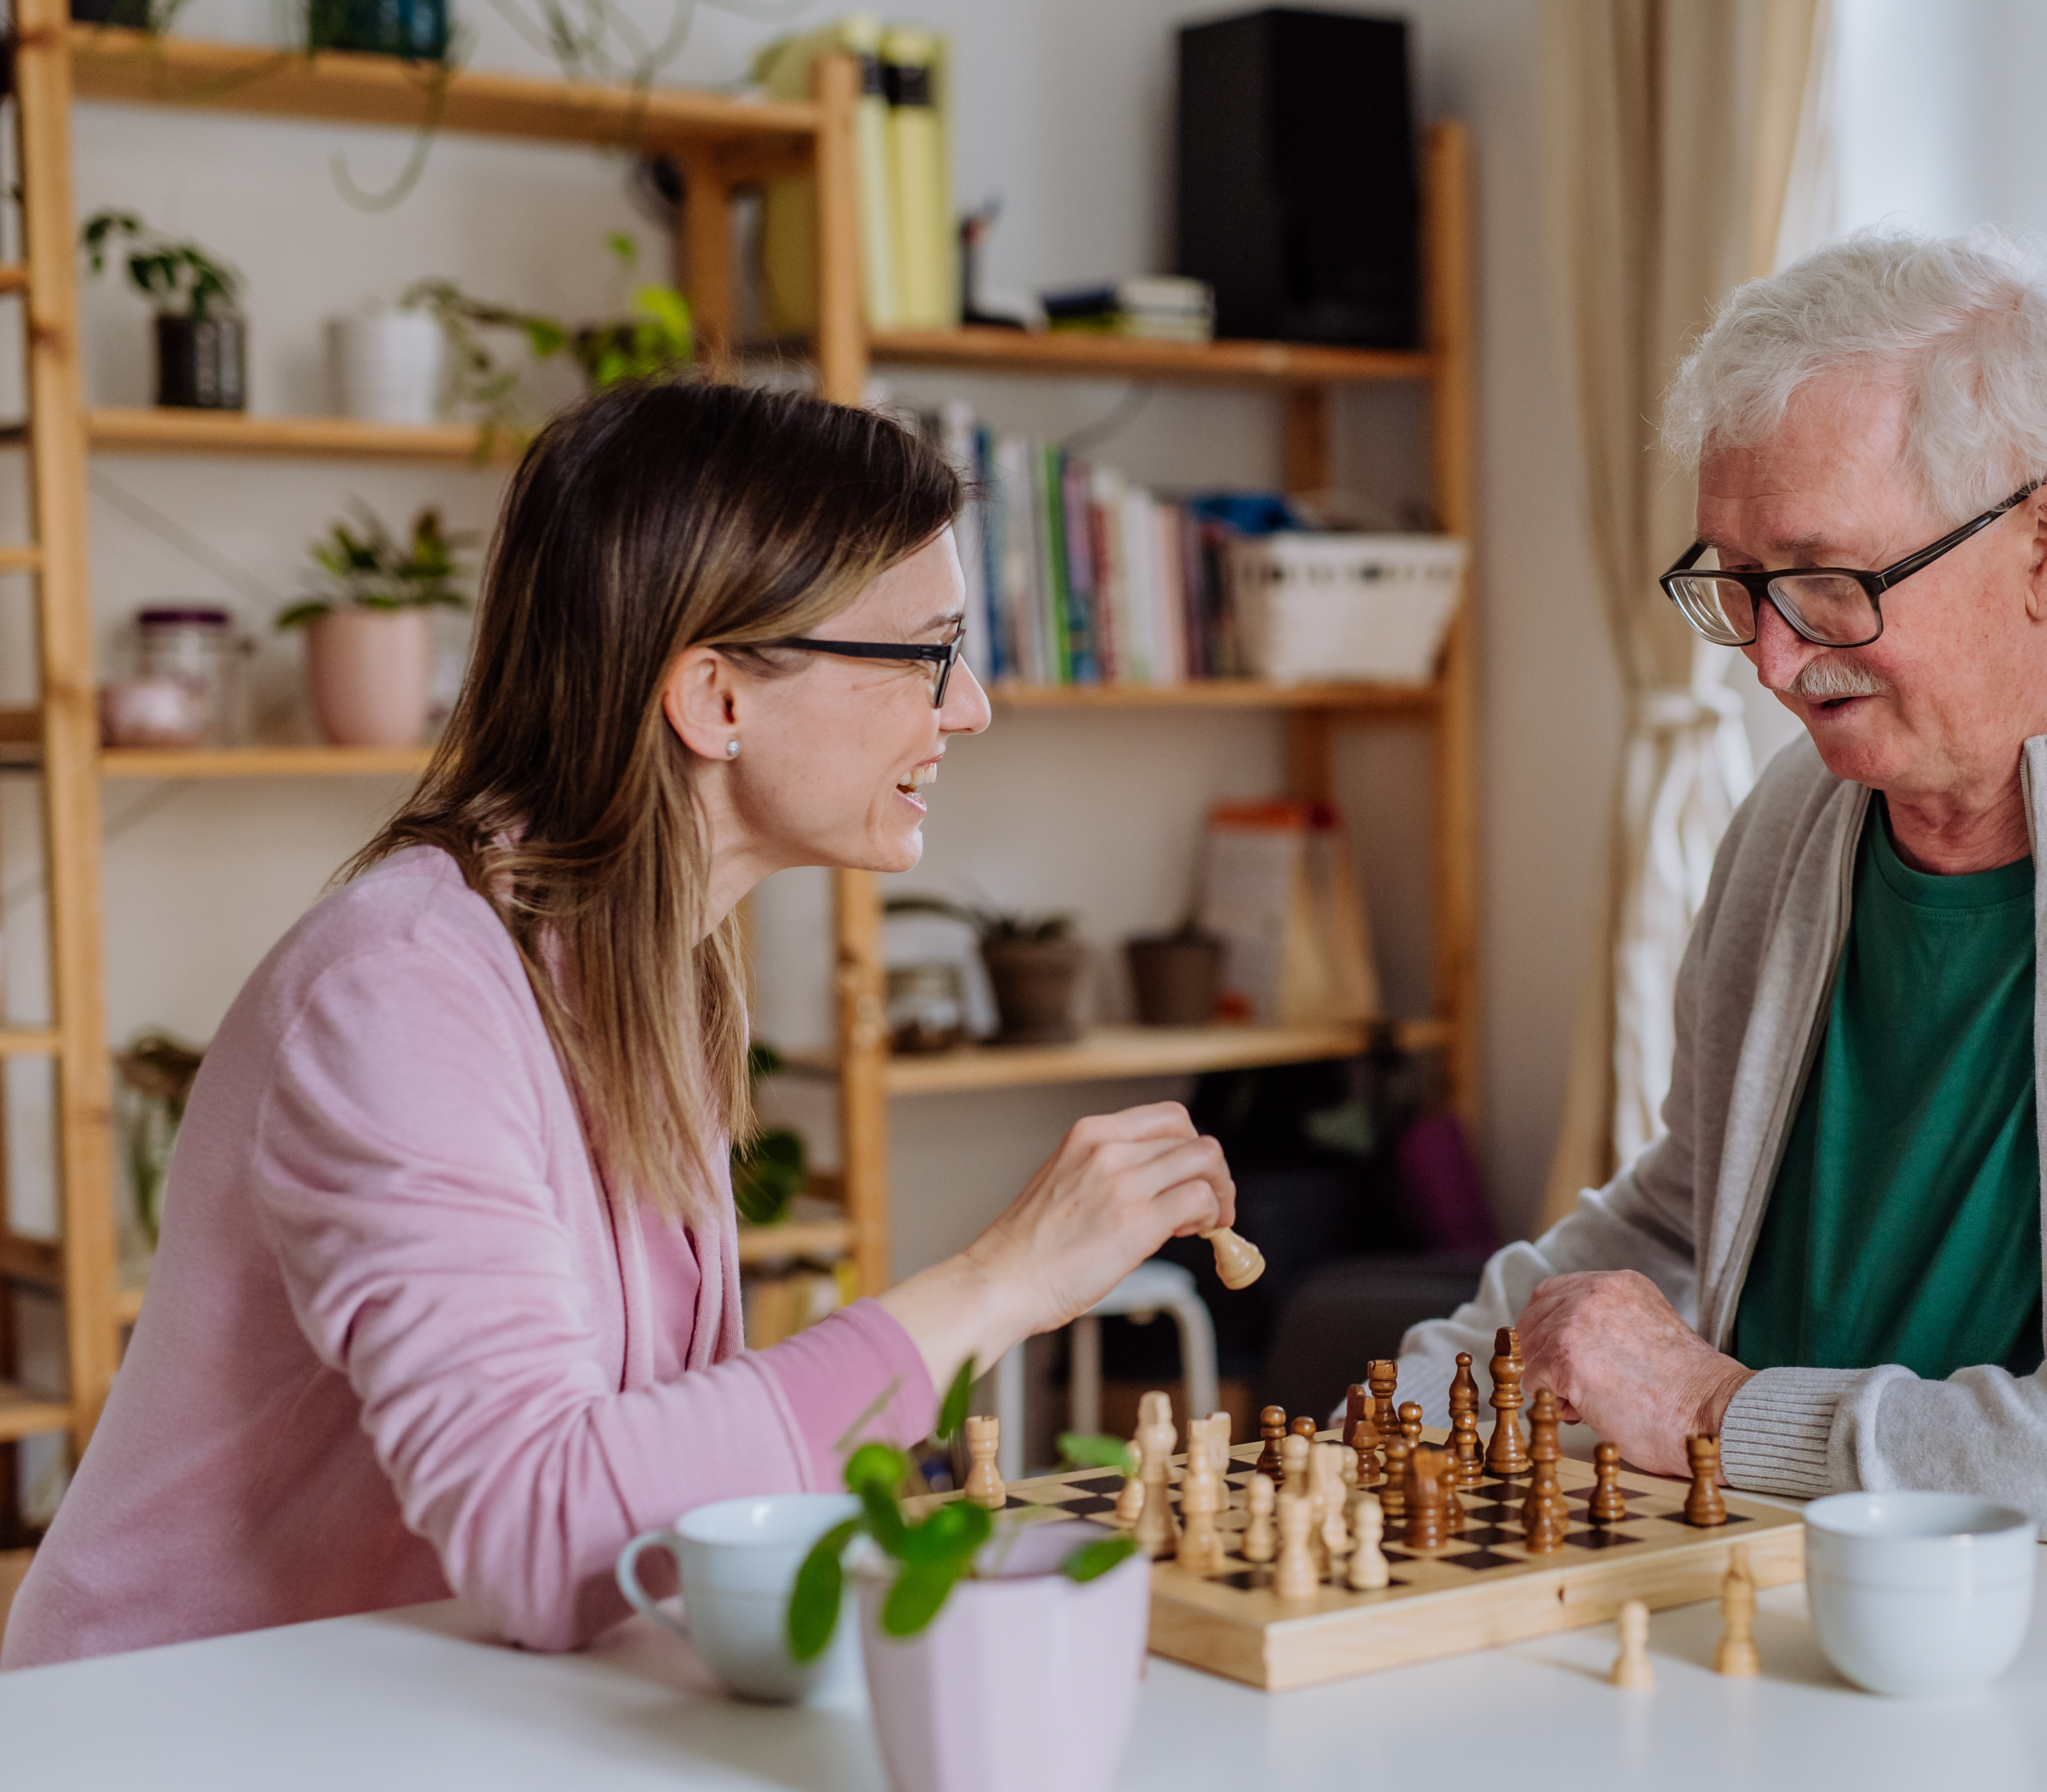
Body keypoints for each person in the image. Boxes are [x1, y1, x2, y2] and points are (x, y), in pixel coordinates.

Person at [2, 380, 1236, 1667]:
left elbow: (660, 1508)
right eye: (929, 652)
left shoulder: (652, 972)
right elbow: (553, 1535)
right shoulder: (401, 993)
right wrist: (1004, 1283)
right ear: (715, 698)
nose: (969, 704)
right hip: (168, 1731)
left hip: (425, 1703)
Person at [1397, 226, 2047, 1594]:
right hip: (1769, 1603)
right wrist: (1426, 1388)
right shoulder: (1797, 815)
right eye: (1739, 584)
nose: (1776, 659)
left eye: (1833, 582)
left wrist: (1722, 1410)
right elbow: (1693, 1213)